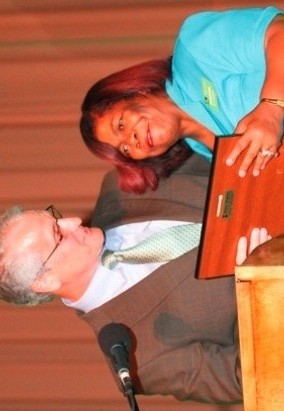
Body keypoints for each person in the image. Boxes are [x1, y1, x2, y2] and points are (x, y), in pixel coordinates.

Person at [0, 155, 271, 405]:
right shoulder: (142, 359)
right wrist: (263, 290)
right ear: (45, 282)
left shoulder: (118, 188)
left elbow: (212, 150)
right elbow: (257, 377)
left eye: (55, 217)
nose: (72, 221)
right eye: (58, 235)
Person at [80, 6, 284, 194]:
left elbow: (279, 31)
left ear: (134, 93)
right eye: (124, 150)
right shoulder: (207, 153)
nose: (132, 142)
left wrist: (272, 109)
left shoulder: (193, 49)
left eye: (121, 125)